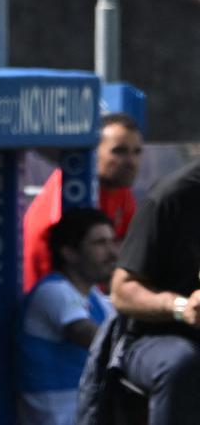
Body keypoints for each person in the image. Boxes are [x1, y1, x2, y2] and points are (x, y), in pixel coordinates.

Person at [109, 157, 200, 423]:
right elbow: (122, 290)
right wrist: (181, 307)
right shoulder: (170, 198)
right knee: (180, 362)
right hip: (157, 338)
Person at [19, 208, 118, 424]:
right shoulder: (53, 291)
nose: (113, 253)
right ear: (69, 252)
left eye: (113, 242)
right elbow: (97, 340)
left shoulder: (95, 297)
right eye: (100, 243)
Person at [23, 113, 143, 292]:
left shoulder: (120, 190)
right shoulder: (71, 192)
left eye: (137, 152)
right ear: (94, 153)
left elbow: (131, 251)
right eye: (119, 151)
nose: (131, 162)